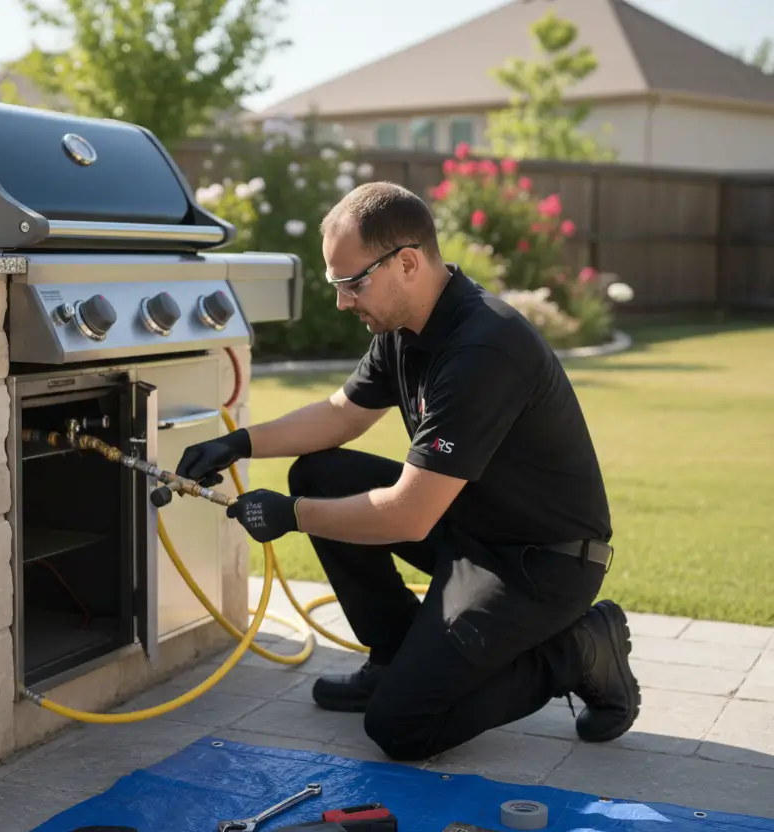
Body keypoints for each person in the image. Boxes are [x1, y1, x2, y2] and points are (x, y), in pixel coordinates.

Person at [175, 181, 641, 762]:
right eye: (335, 284)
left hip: (539, 564)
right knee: (319, 474)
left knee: (402, 727)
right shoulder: (402, 330)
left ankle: (579, 649)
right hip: (470, 529)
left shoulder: (483, 350)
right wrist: (239, 443)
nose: (343, 301)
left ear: (408, 263)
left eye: (352, 283)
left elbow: (410, 515)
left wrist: (292, 517)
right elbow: (342, 415)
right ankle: (393, 655)